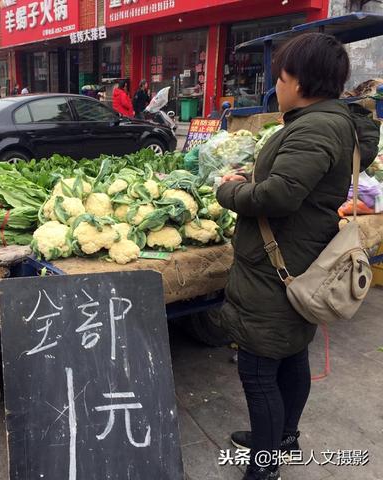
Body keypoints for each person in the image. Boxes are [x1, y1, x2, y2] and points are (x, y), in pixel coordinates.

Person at [215, 33, 379, 480]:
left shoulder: (315, 126)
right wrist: (255, 173)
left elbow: (281, 195)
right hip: (300, 252)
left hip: (279, 262)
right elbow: (299, 179)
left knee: (258, 367)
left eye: (281, 77)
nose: (277, 85)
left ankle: (264, 466)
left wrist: (229, 189)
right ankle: (282, 438)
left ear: (300, 81)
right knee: (289, 355)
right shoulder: (333, 122)